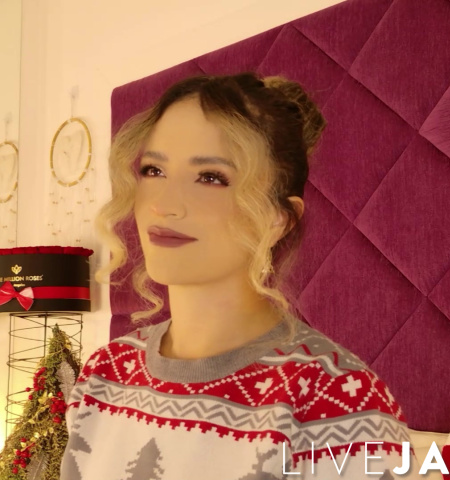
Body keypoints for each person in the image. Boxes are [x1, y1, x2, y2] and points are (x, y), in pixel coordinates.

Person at [60, 73, 412, 480]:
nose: (163, 205)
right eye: (154, 170)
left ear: (278, 218)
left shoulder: (338, 399)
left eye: (210, 177)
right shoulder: (104, 372)